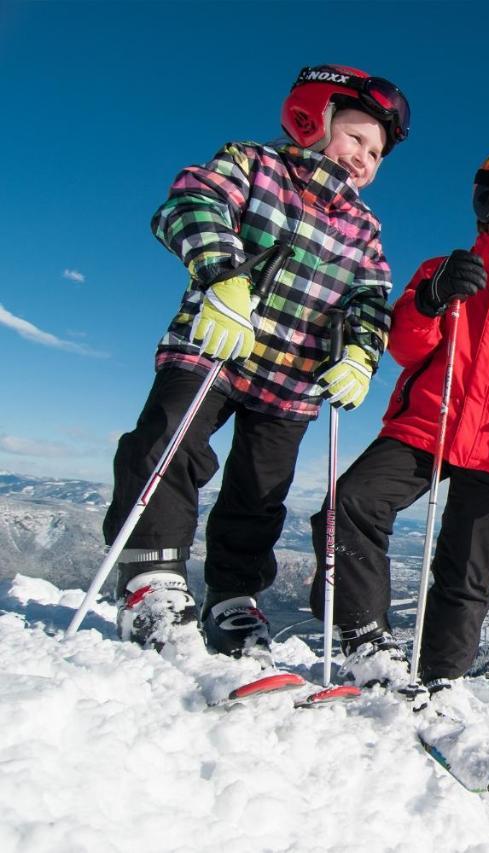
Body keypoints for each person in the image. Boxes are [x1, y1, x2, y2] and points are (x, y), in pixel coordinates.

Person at [105, 65, 410, 659]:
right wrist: (222, 275)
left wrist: (359, 354)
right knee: (168, 443)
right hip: (216, 347)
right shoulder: (254, 165)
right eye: (355, 138)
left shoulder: (366, 230)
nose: (364, 159)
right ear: (313, 117)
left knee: (259, 490)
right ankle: (152, 585)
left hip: (293, 382)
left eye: (376, 154)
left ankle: (233, 599)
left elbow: (370, 300)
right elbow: (192, 200)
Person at [309, 149, 489, 692]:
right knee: (350, 506)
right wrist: (433, 299)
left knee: (465, 571)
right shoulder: (445, 271)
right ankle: (367, 643)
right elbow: (407, 348)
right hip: (427, 426)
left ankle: (441, 681)